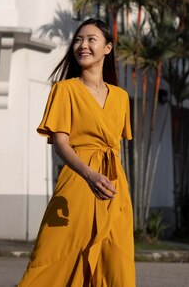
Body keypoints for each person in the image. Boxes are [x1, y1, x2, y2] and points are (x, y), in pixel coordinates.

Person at [18, 17, 135, 287]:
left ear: (107, 47)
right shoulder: (64, 90)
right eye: (78, 40)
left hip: (113, 187)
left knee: (115, 261)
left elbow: (116, 148)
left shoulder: (120, 97)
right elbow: (61, 143)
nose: (82, 45)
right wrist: (89, 175)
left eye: (91, 39)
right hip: (77, 182)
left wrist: (111, 184)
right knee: (53, 256)